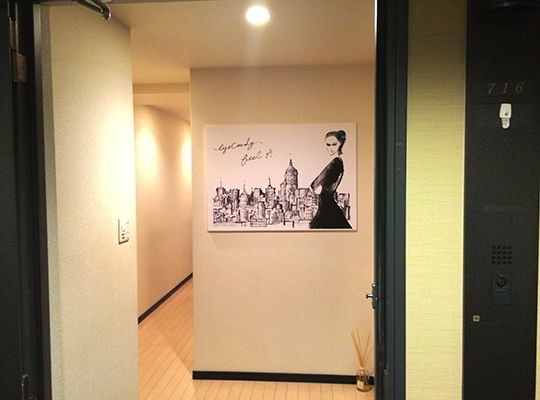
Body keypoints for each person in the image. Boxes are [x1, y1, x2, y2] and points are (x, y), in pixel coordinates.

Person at [309, 130, 352, 229]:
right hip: (326, 198)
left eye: (334, 144)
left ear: (340, 144)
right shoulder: (338, 161)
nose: (331, 148)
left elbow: (319, 179)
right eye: (328, 145)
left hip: (326, 198)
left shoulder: (336, 162)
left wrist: (313, 187)